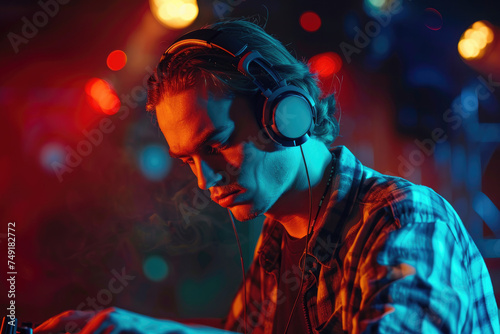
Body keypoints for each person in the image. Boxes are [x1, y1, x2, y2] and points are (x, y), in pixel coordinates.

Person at [34, 19, 499, 334]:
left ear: (286, 113)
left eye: (216, 145)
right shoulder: (277, 240)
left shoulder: (405, 218)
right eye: (187, 160)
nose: (204, 181)